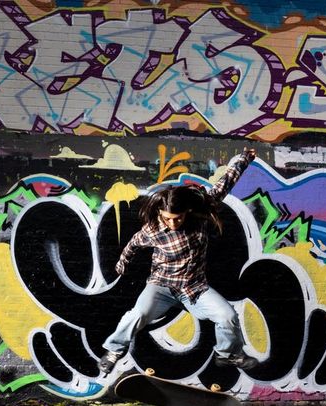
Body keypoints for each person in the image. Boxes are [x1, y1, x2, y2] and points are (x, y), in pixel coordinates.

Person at [99, 147, 259, 374]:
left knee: (228, 316)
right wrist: (122, 263)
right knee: (138, 314)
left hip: (195, 289)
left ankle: (227, 354)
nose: (172, 223)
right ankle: (114, 351)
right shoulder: (153, 229)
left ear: (188, 211)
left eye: (177, 218)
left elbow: (226, 181)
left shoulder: (202, 212)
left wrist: (245, 158)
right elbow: (133, 244)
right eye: (167, 219)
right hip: (161, 287)